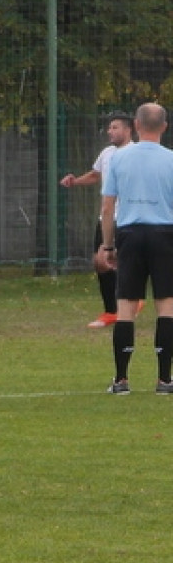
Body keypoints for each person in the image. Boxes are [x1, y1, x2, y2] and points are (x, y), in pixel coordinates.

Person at [97, 103, 173, 394]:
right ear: (164, 127)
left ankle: (121, 380)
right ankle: (165, 380)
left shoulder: (119, 159)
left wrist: (108, 245)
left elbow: (107, 206)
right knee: (166, 305)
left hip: (129, 234)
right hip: (165, 234)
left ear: (137, 127)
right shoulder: (171, 159)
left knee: (126, 306)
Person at [60, 112, 136, 328]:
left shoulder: (136, 153)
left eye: (115, 127)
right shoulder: (107, 153)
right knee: (102, 263)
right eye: (109, 128)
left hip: (130, 217)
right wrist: (75, 181)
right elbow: (95, 175)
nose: (110, 131)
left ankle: (131, 303)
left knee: (129, 264)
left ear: (129, 129)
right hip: (107, 217)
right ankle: (111, 311)